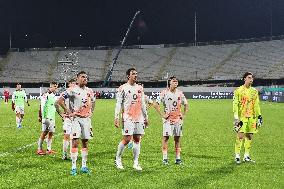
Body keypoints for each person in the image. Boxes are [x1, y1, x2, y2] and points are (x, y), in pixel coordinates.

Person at [57, 71, 95, 176]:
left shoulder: (90, 91)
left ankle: (84, 166)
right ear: (77, 78)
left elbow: (93, 101)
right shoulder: (72, 90)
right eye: (83, 77)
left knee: (85, 142)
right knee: (74, 141)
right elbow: (60, 101)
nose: (85, 79)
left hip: (86, 119)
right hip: (76, 119)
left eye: (86, 77)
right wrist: (68, 111)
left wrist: (92, 112)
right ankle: (73, 167)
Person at [114, 68, 148, 171]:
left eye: (136, 74)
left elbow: (142, 104)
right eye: (133, 74)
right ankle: (118, 159)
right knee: (127, 139)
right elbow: (118, 104)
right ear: (128, 76)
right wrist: (116, 117)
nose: (136, 75)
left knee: (137, 139)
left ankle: (136, 163)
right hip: (127, 117)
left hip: (139, 117)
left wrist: (146, 117)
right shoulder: (122, 88)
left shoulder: (140, 88)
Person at [154, 76, 188, 165]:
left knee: (177, 139)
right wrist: (162, 115)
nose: (176, 82)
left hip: (178, 120)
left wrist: (184, 115)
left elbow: (186, 104)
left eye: (177, 81)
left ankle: (178, 159)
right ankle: (165, 159)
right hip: (168, 120)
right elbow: (156, 104)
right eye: (174, 81)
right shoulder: (164, 93)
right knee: (166, 138)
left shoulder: (180, 93)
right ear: (170, 83)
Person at [233, 72, 262, 164]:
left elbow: (257, 105)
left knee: (249, 136)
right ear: (244, 79)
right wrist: (236, 117)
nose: (251, 79)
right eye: (249, 77)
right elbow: (235, 104)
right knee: (240, 135)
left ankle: (246, 156)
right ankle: (237, 155)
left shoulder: (255, 91)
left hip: (252, 117)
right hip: (242, 117)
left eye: (252, 78)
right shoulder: (238, 90)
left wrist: (259, 116)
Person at [37, 81, 58, 155]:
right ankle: (39, 149)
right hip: (46, 116)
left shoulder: (54, 95)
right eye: (54, 86)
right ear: (50, 86)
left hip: (52, 116)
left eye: (56, 86)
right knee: (44, 132)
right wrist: (40, 116)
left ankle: (49, 149)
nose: (55, 88)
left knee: (51, 133)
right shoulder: (45, 95)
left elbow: (55, 106)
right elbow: (41, 105)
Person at [58, 78, 77, 160]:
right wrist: (65, 110)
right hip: (68, 118)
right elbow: (59, 102)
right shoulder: (66, 92)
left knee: (74, 137)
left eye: (74, 83)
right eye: (72, 83)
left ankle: (71, 154)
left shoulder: (78, 92)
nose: (73, 84)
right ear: (69, 84)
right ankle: (64, 154)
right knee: (66, 135)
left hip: (76, 118)